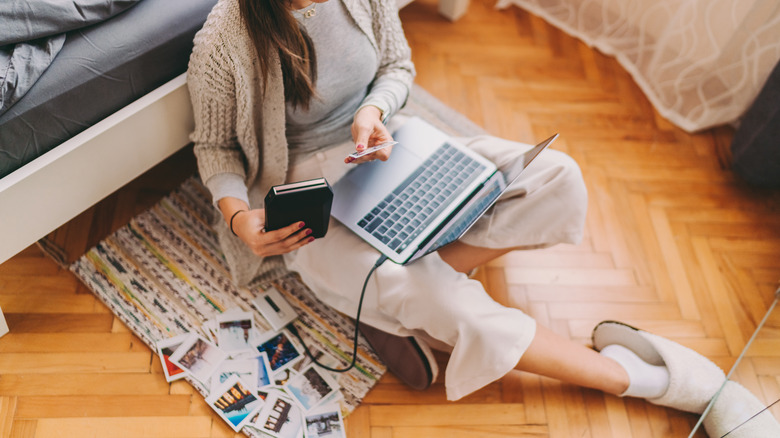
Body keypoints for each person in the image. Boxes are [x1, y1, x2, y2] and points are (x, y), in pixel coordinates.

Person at [187, 0, 779, 435]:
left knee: (556, 178)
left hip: (385, 147)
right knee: (416, 286)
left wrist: (373, 109)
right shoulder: (226, 37)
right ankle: (647, 379)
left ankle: (396, 309)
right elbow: (214, 148)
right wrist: (242, 220)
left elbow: (396, 67)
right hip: (308, 190)